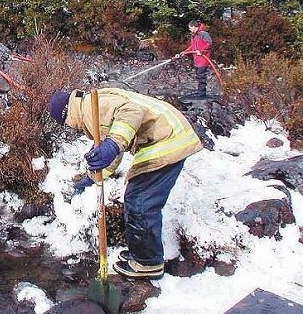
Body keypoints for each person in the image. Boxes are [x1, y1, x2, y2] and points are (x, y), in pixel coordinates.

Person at [47, 88, 203, 280]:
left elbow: (132, 112)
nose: (72, 128)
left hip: (166, 141)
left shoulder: (89, 108)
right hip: (170, 134)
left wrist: (112, 144)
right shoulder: (91, 105)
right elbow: (116, 145)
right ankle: (143, 254)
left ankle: (148, 263)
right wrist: (94, 176)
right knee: (138, 199)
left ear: (67, 116)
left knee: (140, 203)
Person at [178, 20, 212, 98]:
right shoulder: (194, 35)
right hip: (197, 60)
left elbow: (209, 44)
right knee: (198, 76)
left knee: (201, 77)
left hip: (203, 60)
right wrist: (185, 52)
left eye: (190, 28)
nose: (190, 29)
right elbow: (192, 47)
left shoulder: (204, 34)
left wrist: (201, 51)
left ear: (194, 26)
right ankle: (200, 92)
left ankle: (202, 94)